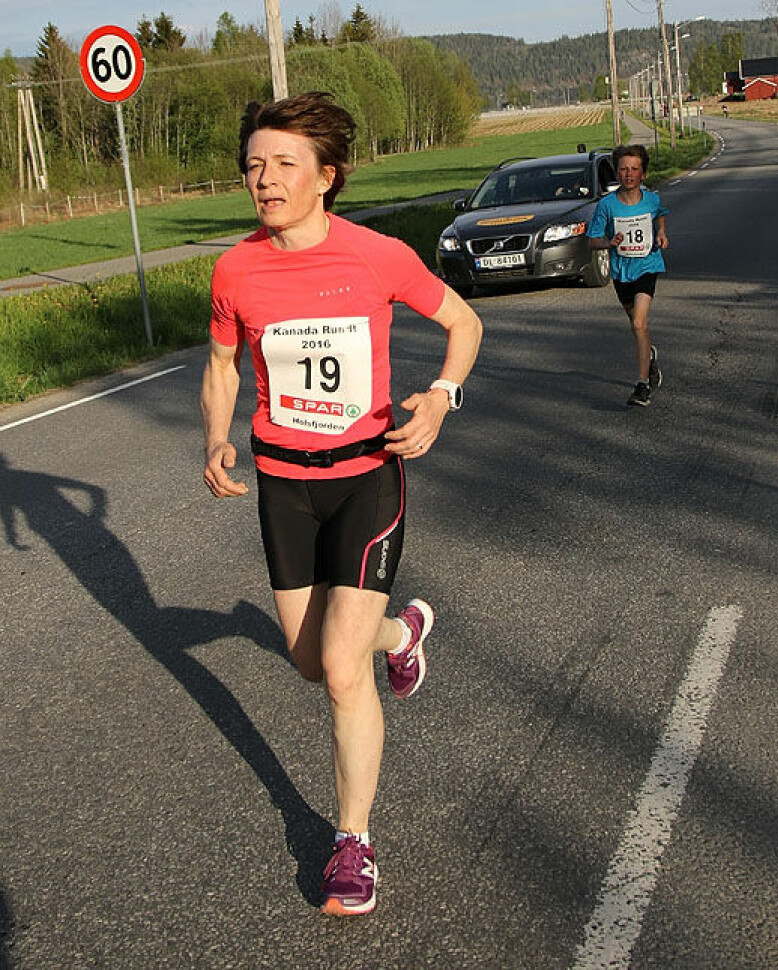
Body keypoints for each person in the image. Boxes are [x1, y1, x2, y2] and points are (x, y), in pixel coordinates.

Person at [201, 91, 482, 916]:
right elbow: (222, 364)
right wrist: (215, 438)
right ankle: (406, 631)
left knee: (338, 672)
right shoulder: (235, 269)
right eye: (254, 164)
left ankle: (351, 845)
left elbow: (462, 324)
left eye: (284, 164)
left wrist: (440, 398)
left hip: (366, 475)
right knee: (308, 658)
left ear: (327, 177)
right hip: (285, 484)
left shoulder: (379, 256)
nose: (264, 179)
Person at [587, 144, 669, 407]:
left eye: (634, 169)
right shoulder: (606, 206)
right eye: (623, 169)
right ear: (617, 173)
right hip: (622, 271)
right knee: (636, 324)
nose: (629, 174)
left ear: (643, 174)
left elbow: (659, 216)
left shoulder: (652, 199)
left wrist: (661, 234)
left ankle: (642, 385)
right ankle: (650, 356)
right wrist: (609, 243)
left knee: (638, 324)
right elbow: (593, 240)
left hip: (648, 265)